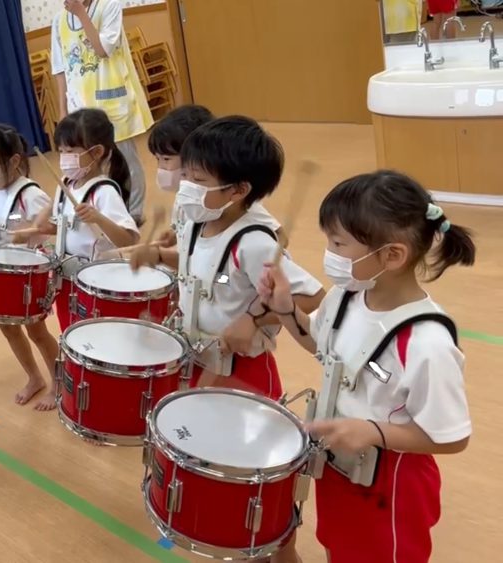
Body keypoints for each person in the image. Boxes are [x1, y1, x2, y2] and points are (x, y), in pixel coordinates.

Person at [259, 170, 474, 563]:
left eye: (338, 243)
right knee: (340, 549)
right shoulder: (348, 296)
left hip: (391, 485)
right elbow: (324, 351)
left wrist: (373, 430)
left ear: (392, 255)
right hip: (338, 466)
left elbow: (451, 437)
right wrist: (286, 310)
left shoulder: (426, 342)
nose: (329, 254)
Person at [131, 116, 323, 401]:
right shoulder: (198, 223)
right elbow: (198, 265)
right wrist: (159, 255)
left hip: (243, 369)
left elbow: (313, 296)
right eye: (185, 176)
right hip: (197, 356)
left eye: (198, 180)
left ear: (238, 190)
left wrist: (253, 319)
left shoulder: (253, 243)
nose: (186, 187)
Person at [0, 123, 60, 410]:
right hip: (0, 270)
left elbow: (57, 225)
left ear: (14, 161)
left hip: (29, 276)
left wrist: (34, 231)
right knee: (8, 329)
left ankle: (58, 383)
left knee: (36, 331)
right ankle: (34, 377)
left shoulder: (30, 194)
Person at [34, 108, 138, 343]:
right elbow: (62, 228)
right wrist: (45, 223)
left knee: (96, 343)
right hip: (68, 281)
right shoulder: (67, 185)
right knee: (72, 339)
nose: (63, 158)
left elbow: (130, 241)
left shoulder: (104, 192)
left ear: (97, 152)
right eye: (60, 151)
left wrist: (99, 218)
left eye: (70, 151)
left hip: (96, 284)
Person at [51, 0, 153, 225]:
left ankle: (133, 213)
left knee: (124, 159)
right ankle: (100, 208)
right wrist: (62, 109)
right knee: (87, 161)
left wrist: (81, 13)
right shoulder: (59, 20)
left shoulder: (109, 6)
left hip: (111, 99)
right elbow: (60, 69)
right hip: (79, 105)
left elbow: (102, 49)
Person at [147, 104, 286, 249]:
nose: (160, 167)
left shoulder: (234, 202)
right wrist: (175, 234)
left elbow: (281, 237)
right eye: (157, 159)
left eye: (166, 159)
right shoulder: (186, 193)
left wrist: (262, 259)